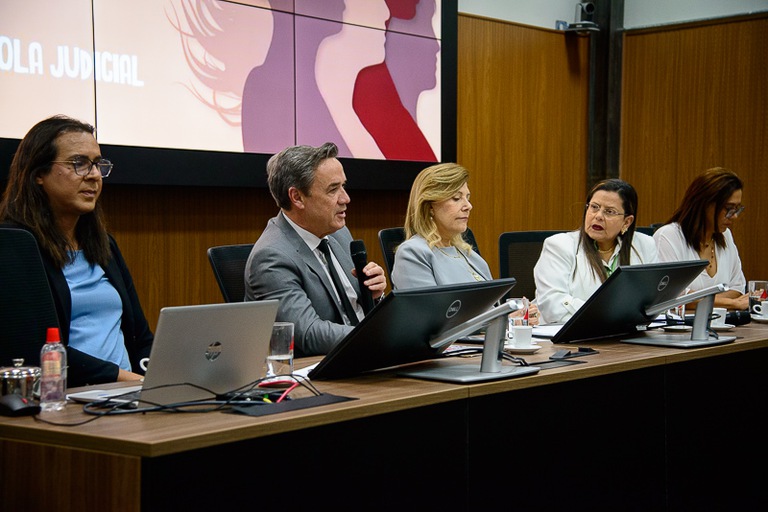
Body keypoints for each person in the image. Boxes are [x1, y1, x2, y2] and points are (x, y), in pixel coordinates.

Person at [0, 115, 153, 387]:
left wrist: (159, 375)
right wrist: (125, 379)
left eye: (97, 164)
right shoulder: (15, 247)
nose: (94, 175)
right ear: (38, 174)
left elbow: (140, 338)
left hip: (128, 393)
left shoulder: (104, 245)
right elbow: (37, 348)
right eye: (78, 163)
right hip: (68, 397)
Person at [245, 142, 387, 357]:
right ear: (297, 197)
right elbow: (309, 334)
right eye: (333, 189)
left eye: (343, 186)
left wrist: (375, 296)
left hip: (364, 356)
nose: (346, 198)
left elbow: (359, 312)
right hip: (322, 368)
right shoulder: (271, 257)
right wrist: (380, 338)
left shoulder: (338, 233)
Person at [391, 163, 538, 323]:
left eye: (467, 198)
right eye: (456, 198)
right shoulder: (412, 253)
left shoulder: (469, 254)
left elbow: (489, 312)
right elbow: (431, 322)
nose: (468, 206)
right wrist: (505, 322)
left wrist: (517, 315)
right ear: (429, 206)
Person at [534, 178, 658, 324]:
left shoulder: (645, 245)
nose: (598, 216)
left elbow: (655, 300)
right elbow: (553, 306)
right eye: (594, 207)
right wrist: (611, 317)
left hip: (630, 334)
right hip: (574, 335)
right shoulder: (559, 246)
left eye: (609, 211)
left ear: (627, 222)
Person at [653, 167, 748, 311]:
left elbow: (738, 288)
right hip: (681, 324)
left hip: (722, 321)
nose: (734, 216)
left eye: (737, 209)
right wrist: (731, 303)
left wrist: (698, 299)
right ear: (704, 204)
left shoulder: (726, 235)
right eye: (729, 208)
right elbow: (671, 296)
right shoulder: (668, 236)